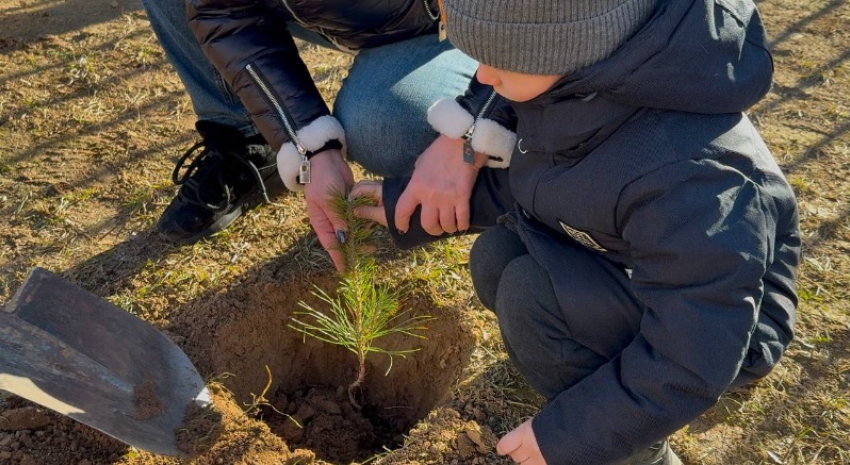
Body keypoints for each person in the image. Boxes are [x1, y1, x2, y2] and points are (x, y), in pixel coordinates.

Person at [351, 0, 802, 463]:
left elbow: (698, 348)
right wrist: (405, 205)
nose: (482, 78)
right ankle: (580, 364)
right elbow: (547, 182)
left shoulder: (694, 178)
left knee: (531, 299)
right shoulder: (578, 85)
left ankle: (639, 451)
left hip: (727, 331)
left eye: (500, 60)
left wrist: (575, 434)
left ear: (562, 43)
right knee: (497, 257)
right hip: (632, 263)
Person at [140, 0, 517, 270]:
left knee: (382, 128)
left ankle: (515, 178)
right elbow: (222, 12)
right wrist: (310, 147)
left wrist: (468, 134)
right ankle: (248, 141)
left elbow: (539, 14)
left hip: (461, 18)